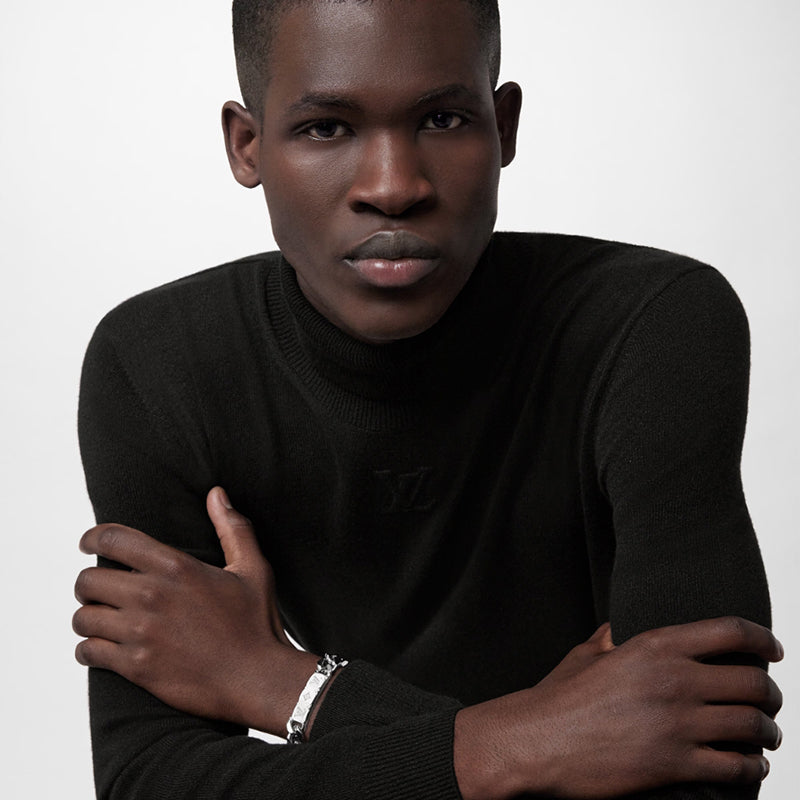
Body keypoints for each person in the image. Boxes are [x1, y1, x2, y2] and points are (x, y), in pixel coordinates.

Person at [72, 1, 783, 798]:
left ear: (503, 126)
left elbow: (698, 774)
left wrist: (284, 685)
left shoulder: (649, 326)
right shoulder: (160, 367)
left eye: (443, 120)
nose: (393, 187)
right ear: (248, 145)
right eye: (325, 128)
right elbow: (150, 782)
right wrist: (535, 742)